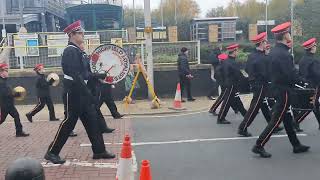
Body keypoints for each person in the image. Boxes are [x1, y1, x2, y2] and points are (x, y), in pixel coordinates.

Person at [44, 20, 115, 164]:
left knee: (92, 121)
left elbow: (86, 74)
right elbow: (76, 76)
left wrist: (99, 76)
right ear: (71, 35)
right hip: (74, 92)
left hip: (82, 92)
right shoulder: (70, 51)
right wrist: (88, 93)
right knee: (69, 123)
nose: (82, 34)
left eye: (82, 32)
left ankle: (99, 150)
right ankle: (52, 153)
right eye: (80, 33)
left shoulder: (78, 52)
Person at [252, 22, 309, 158]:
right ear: (285, 36)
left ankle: (296, 144)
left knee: (287, 119)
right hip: (284, 91)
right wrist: (303, 81)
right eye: (289, 33)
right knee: (276, 120)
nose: (290, 35)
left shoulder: (274, 52)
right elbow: (290, 74)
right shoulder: (284, 54)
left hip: (278, 89)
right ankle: (259, 145)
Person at [238, 32, 283, 137]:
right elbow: (267, 74)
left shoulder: (252, 56)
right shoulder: (263, 58)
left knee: (263, 104)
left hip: (256, 84)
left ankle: (273, 125)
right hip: (261, 85)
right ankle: (242, 128)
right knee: (254, 108)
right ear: (262, 43)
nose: (266, 43)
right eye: (265, 41)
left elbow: (247, 69)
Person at [293, 38, 320, 130]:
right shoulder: (313, 60)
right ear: (312, 48)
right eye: (315, 46)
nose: (316, 47)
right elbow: (317, 74)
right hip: (314, 86)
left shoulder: (303, 59)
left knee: (314, 104)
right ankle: (295, 122)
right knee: (311, 105)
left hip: (305, 86)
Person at [217, 44, 247, 124]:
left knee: (236, 99)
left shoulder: (226, 61)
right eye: (237, 50)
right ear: (234, 52)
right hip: (232, 84)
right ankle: (220, 118)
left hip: (229, 83)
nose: (238, 52)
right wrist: (246, 79)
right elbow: (238, 74)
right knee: (227, 102)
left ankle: (246, 114)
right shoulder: (233, 62)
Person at [0, 63, 29, 137]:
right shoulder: (1, 82)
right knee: (2, 119)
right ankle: (19, 132)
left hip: (9, 104)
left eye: (7, 70)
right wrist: (15, 95)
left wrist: (14, 94)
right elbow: (4, 94)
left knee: (16, 116)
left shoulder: (4, 80)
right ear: (1, 72)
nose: (7, 72)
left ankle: (19, 132)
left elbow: (8, 92)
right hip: (5, 105)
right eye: (6, 70)